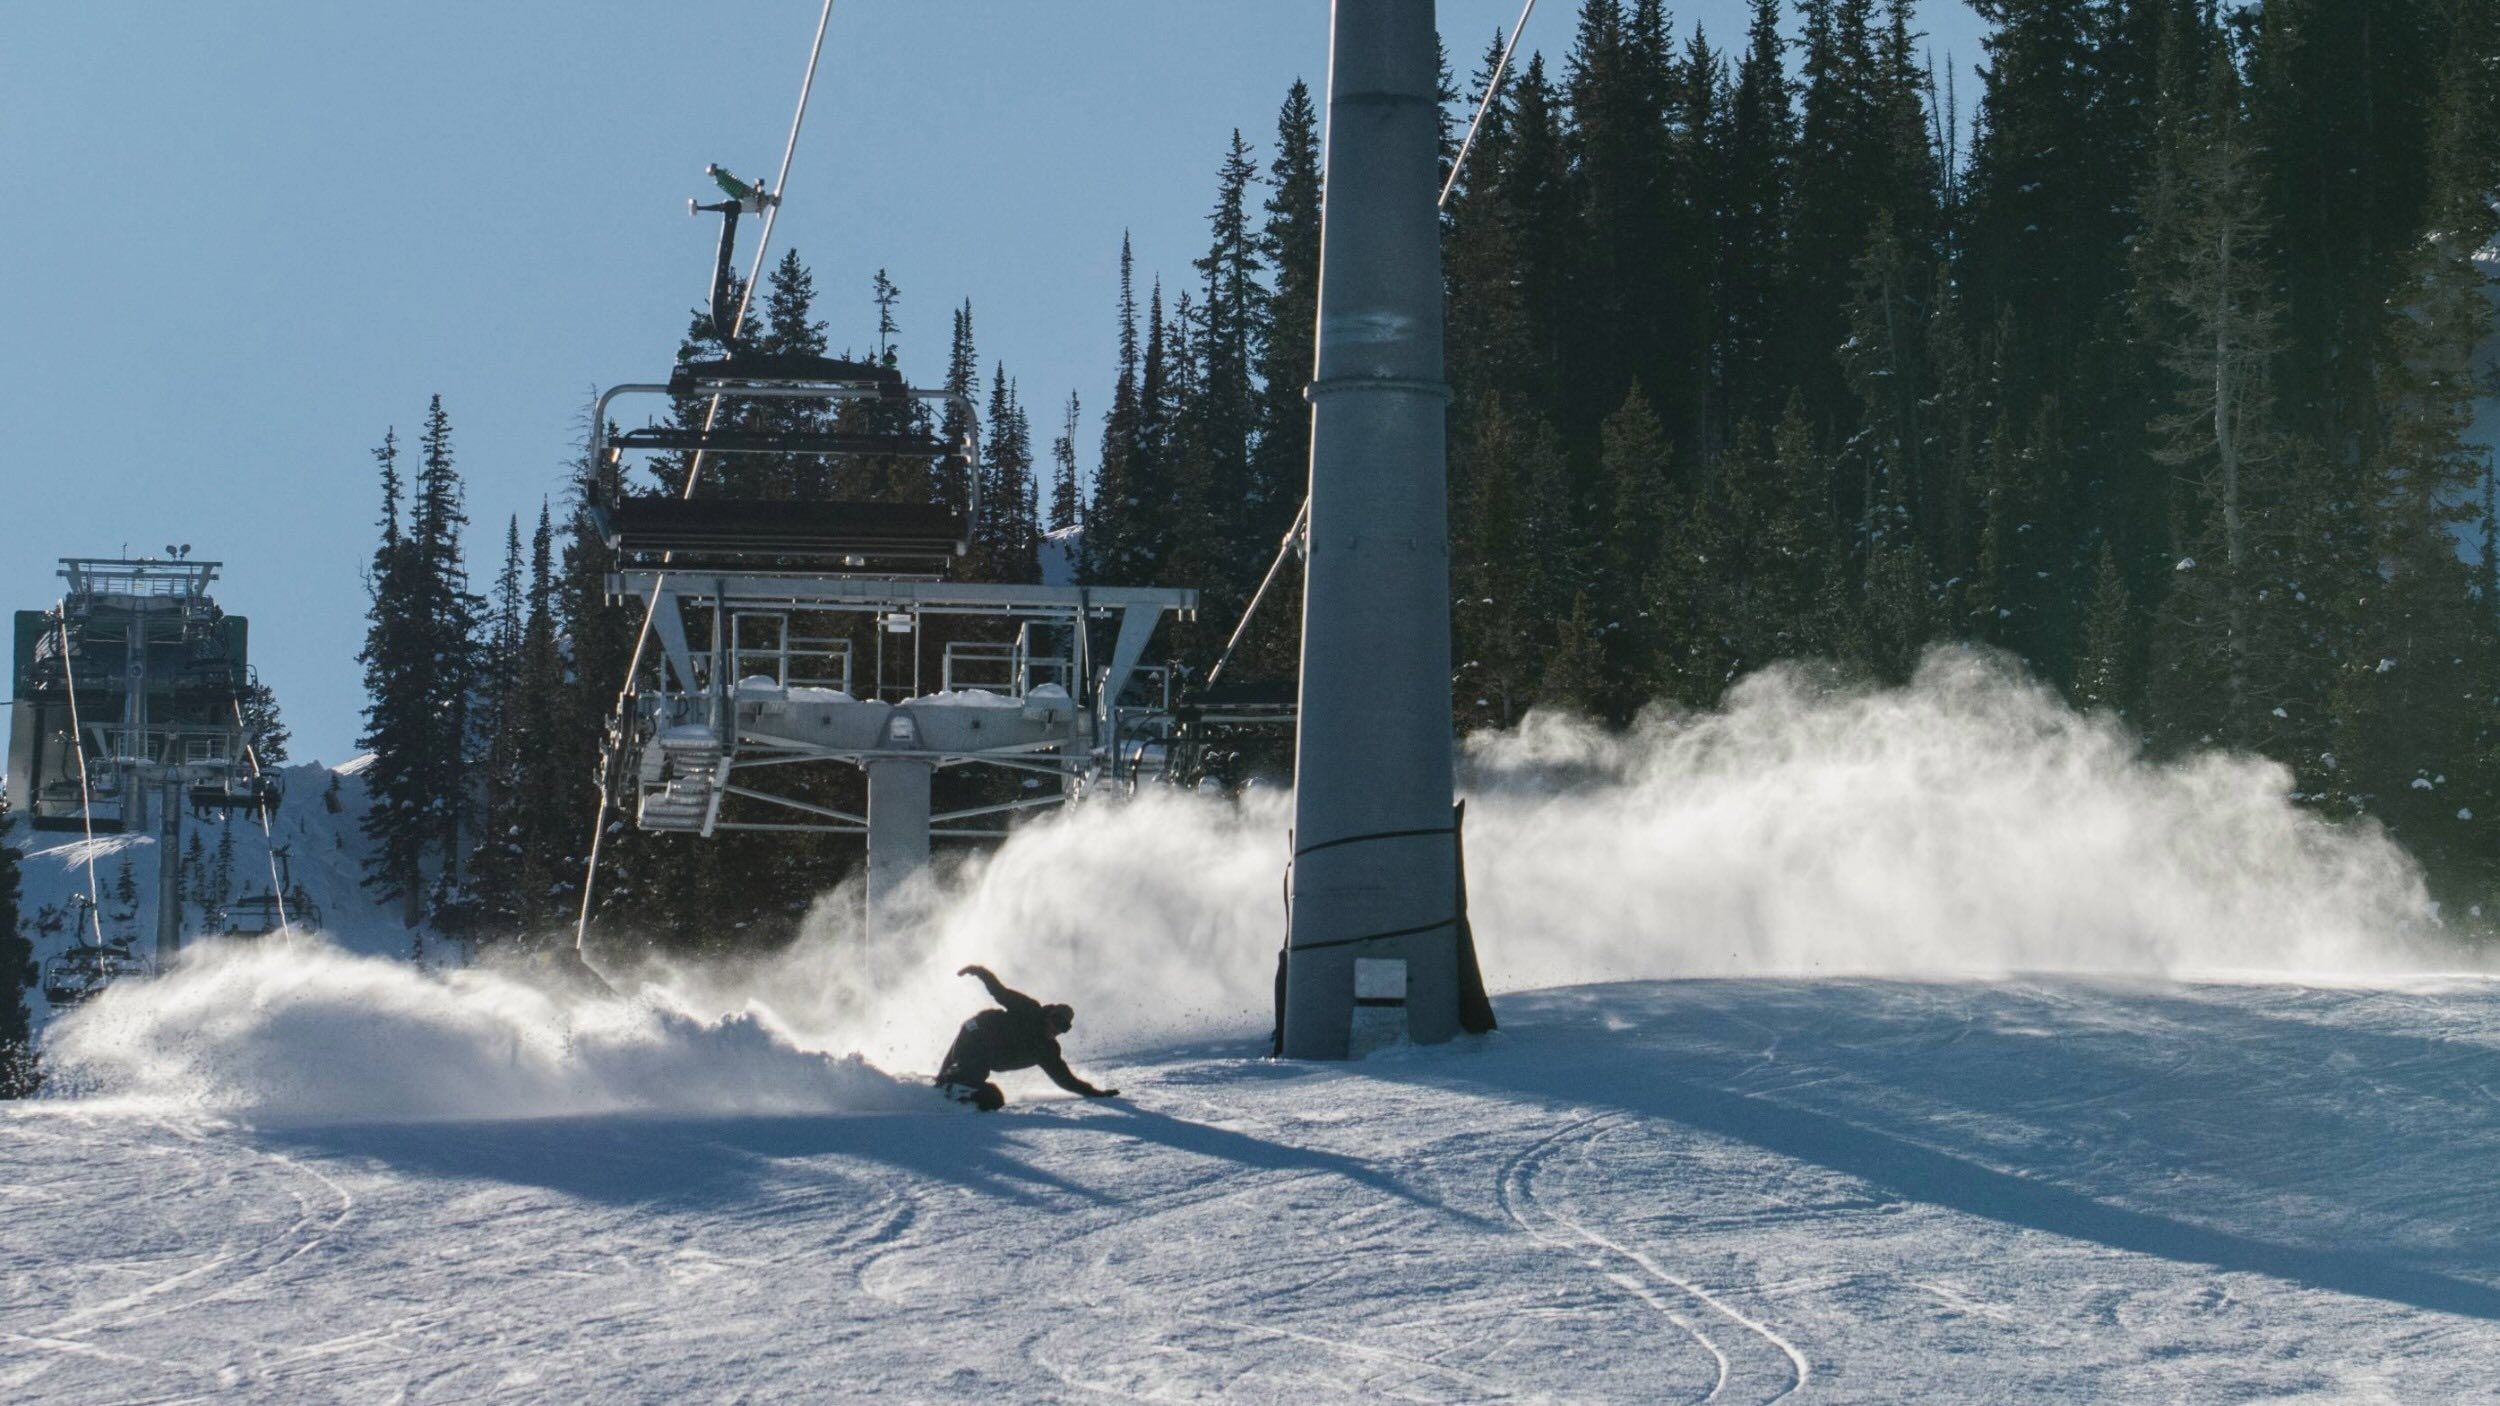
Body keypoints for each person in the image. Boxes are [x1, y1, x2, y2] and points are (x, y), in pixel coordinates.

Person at [937, 965, 1119, 1111]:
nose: (1055, 1029)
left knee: (993, 1099)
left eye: (1063, 1028)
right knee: (974, 1070)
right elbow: (999, 992)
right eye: (1055, 1021)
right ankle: (947, 1085)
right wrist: (979, 971)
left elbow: (1066, 1079)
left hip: (986, 1055)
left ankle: (951, 1087)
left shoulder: (1047, 1050)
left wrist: (1095, 1093)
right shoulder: (1029, 1010)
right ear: (1049, 1015)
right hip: (975, 1032)